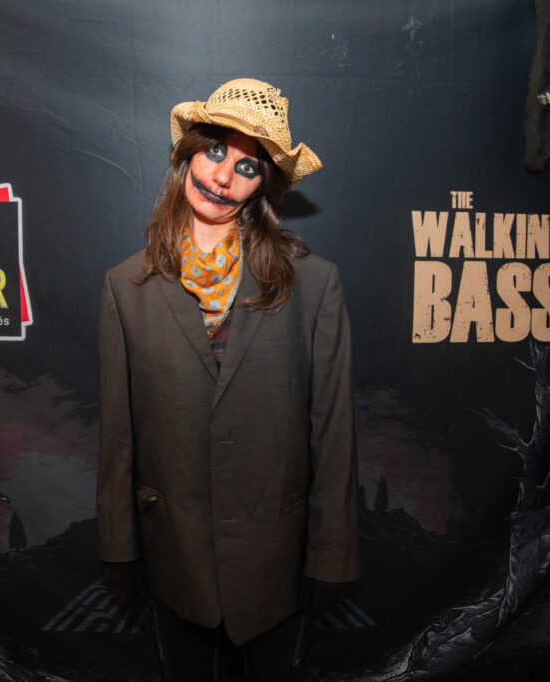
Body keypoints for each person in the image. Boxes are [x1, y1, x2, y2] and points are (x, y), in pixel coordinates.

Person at [97, 78, 359, 681]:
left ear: (263, 185)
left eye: (247, 166)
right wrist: (117, 546)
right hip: (172, 560)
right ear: (187, 155)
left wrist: (333, 555)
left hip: (278, 562)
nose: (222, 177)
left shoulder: (313, 284)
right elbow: (117, 435)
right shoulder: (125, 287)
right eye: (215, 151)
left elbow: (333, 431)